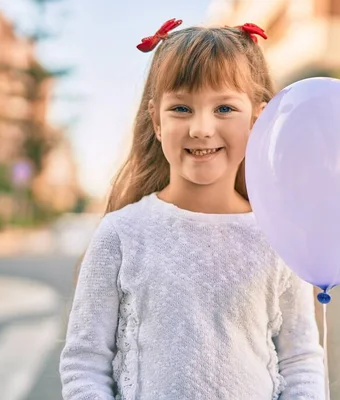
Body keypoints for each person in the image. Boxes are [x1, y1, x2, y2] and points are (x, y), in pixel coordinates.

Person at [59, 18, 325, 400]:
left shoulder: (278, 238)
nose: (201, 128)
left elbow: (300, 362)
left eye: (224, 108)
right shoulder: (122, 235)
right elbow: (85, 363)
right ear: (156, 120)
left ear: (258, 118)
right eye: (182, 107)